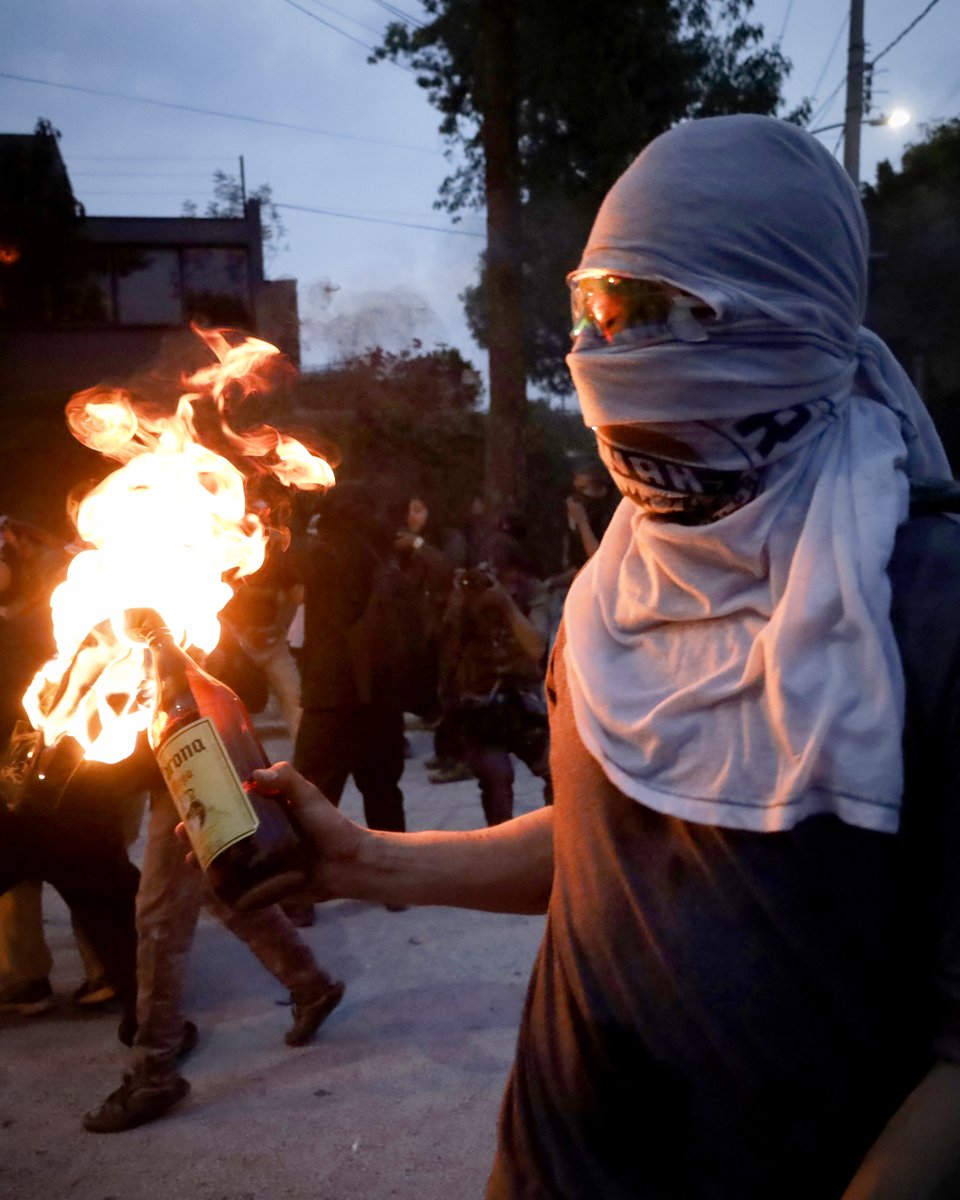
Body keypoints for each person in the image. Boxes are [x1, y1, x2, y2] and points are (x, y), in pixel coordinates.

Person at [241, 115, 960, 1198]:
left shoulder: (929, 610)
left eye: (661, 312)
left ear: (796, 316)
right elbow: (616, 846)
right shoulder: (617, 586)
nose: (611, 357)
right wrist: (368, 861)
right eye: (597, 312)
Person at [432, 534, 551, 823]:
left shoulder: (532, 592)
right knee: (497, 777)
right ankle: (502, 841)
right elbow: (446, 649)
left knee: (556, 770)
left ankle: (558, 835)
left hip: (524, 704)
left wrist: (506, 604)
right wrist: (462, 604)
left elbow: (536, 647)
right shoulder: (467, 596)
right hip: (480, 706)